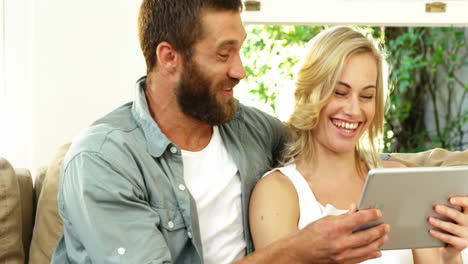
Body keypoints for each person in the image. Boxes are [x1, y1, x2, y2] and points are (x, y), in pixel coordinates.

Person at [51, 1, 390, 263]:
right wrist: (294, 252)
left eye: (240, 50)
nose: (240, 70)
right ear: (169, 57)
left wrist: (426, 188)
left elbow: (332, 156)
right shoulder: (103, 161)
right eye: (224, 54)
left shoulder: (250, 129)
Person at [249, 26, 468, 264]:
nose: (354, 111)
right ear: (309, 92)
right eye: (340, 92)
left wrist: (449, 255)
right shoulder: (278, 192)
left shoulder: (400, 179)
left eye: (366, 96)